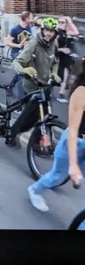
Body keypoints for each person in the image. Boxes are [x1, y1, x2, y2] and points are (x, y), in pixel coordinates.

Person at [27, 56, 85, 212]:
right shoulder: (81, 93)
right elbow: (73, 130)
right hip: (76, 141)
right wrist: (73, 165)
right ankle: (35, 190)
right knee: (58, 176)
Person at [7, 17, 60, 147]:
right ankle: (12, 135)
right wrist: (23, 70)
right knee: (29, 117)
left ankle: (38, 142)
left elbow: (54, 62)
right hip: (31, 85)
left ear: (55, 33)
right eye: (46, 30)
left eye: (51, 31)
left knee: (45, 116)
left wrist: (54, 73)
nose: (48, 33)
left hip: (45, 86)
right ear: (42, 30)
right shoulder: (34, 43)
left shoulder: (54, 44)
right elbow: (16, 62)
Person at [5, 11, 34, 98]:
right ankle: (21, 99)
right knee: (22, 74)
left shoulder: (29, 28)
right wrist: (18, 45)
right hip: (16, 53)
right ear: (26, 19)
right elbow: (7, 42)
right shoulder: (15, 29)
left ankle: (10, 86)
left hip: (25, 54)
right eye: (31, 18)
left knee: (21, 73)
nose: (32, 19)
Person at [57, 16, 81, 102]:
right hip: (58, 56)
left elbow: (77, 33)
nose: (60, 24)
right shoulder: (57, 33)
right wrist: (61, 49)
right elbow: (52, 47)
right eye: (59, 22)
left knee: (66, 76)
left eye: (63, 22)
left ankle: (61, 94)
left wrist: (70, 21)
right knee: (56, 76)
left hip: (67, 57)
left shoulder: (68, 32)